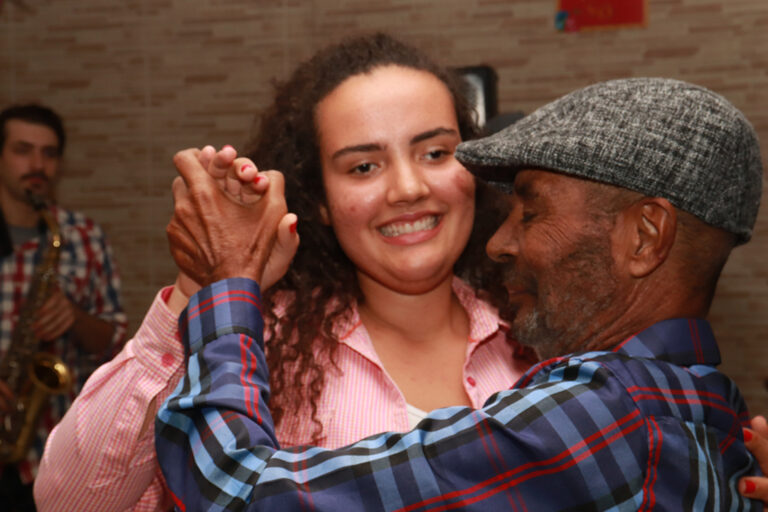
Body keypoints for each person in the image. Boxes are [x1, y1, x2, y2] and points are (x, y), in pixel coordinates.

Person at [155, 77, 766, 510]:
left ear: (644, 237)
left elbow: (234, 492)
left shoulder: (599, 416)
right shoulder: (717, 416)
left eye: (531, 212)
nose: (498, 242)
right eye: (363, 166)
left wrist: (226, 283)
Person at [34, 34, 532, 511]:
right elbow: (72, 500)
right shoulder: (249, 348)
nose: (408, 188)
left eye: (436, 153)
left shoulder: (539, 336)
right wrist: (206, 285)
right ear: (319, 202)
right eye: (363, 166)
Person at [0, 104, 126, 511]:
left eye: (49, 153)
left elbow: (115, 341)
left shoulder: (84, 236)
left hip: (57, 458)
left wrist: (75, 317)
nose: (38, 165)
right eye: (23, 150)